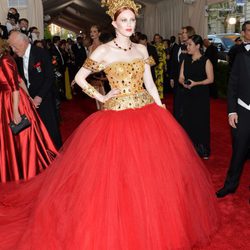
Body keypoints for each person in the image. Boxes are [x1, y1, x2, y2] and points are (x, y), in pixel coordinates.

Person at [0, 1, 219, 249]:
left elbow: (149, 81)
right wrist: (102, 96)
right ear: (114, 23)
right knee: (119, 176)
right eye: (123, 20)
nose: (128, 25)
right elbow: (80, 78)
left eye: (132, 20)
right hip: (116, 117)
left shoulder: (141, 49)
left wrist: (161, 109)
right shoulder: (103, 51)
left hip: (148, 114)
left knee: (153, 175)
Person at [0, 38, 57, 182]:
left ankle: (25, 167)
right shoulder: (8, 58)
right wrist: (29, 98)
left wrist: (15, 111)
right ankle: (23, 165)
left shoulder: (5, 61)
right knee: (24, 135)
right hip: (18, 99)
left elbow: (14, 87)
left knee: (19, 135)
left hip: (12, 100)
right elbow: (20, 80)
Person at [8, 31, 62, 149]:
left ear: (24, 42)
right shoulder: (17, 59)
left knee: (50, 126)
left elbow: (49, 77)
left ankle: (57, 153)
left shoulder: (41, 53)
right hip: (28, 99)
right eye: (11, 47)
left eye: (14, 46)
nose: (13, 50)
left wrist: (39, 96)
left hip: (44, 97)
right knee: (35, 128)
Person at [216, 21, 250, 198]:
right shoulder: (239, 54)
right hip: (243, 110)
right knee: (239, 151)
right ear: (244, 33)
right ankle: (230, 185)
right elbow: (232, 85)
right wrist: (231, 111)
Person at [179, 35, 213, 159]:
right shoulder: (185, 60)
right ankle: (189, 148)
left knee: (201, 121)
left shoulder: (206, 61)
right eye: (187, 45)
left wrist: (196, 83)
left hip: (201, 96)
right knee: (188, 120)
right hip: (187, 94)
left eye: (190, 45)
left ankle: (203, 149)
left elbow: (210, 79)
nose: (187, 47)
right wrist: (184, 83)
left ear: (198, 46)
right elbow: (181, 77)